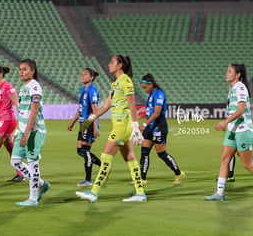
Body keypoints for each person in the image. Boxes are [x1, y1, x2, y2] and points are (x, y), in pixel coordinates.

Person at [75, 54, 146, 203]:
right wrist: (91, 119)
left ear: (120, 65)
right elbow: (106, 105)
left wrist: (135, 128)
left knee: (106, 156)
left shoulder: (126, 81)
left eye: (112, 62)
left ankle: (94, 192)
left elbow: (132, 105)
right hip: (120, 125)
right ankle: (140, 193)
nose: (109, 64)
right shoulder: (116, 83)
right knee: (130, 157)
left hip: (122, 125)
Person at [205, 64, 253, 201]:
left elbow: (240, 111)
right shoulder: (232, 89)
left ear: (238, 74)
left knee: (247, 164)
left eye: (229, 72)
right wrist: (228, 124)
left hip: (243, 130)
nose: (226, 74)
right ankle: (220, 193)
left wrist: (224, 122)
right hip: (233, 130)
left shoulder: (240, 88)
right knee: (224, 160)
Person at [10, 59, 50, 206]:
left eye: (25, 69)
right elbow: (23, 112)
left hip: (34, 131)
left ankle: (33, 199)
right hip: (23, 130)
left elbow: (33, 112)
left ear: (32, 71)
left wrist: (26, 133)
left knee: (33, 164)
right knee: (15, 161)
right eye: (20, 69)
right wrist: (18, 129)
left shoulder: (34, 87)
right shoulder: (23, 87)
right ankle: (41, 183)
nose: (21, 72)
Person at [138, 73, 185, 185]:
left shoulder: (159, 94)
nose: (144, 90)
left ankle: (178, 173)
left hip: (159, 127)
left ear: (151, 84)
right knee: (144, 152)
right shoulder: (151, 94)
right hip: (150, 127)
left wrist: (144, 125)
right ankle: (142, 179)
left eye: (145, 87)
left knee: (161, 154)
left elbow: (157, 113)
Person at [67, 68, 101, 187]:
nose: (82, 76)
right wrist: (72, 123)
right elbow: (80, 108)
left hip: (90, 122)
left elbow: (95, 111)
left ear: (91, 77)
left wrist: (96, 128)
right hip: (83, 123)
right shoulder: (82, 89)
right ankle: (103, 167)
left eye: (85, 75)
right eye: (82, 74)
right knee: (80, 151)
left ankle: (88, 179)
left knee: (85, 151)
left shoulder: (92, 90)